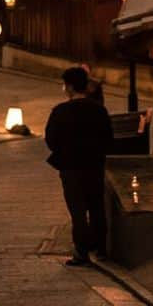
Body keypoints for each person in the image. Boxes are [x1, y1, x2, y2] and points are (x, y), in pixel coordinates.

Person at [44, 65, 114, 267]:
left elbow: (51, 139)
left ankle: (81, 252)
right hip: (94, 165)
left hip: (71, 167)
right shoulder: (99, 110)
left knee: (78, 211)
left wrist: (65, 150)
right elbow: (108, 139)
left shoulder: (60, 111)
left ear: (70, 87)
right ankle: (101, 249)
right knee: (96, 207)